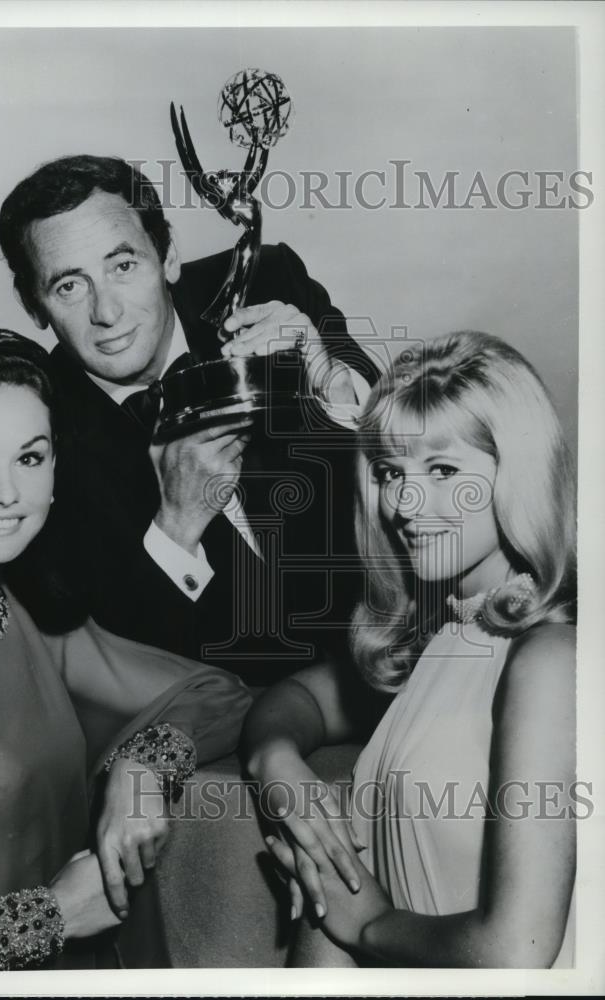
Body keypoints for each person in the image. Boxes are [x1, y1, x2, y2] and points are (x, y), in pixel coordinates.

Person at [0, 326, 252, 972]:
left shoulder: (34, 621)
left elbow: (218, 695)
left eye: (29, 457)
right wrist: (52, 913)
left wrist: (141, 773)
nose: (5, 491)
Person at [242, 330, 576, 967]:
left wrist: (368, 925)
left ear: (519, 473)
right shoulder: (445, 634)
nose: (403, 503)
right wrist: (275, 761)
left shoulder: (549, 658)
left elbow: (517, 954)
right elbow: (297, 698)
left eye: (444, 470)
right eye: (391, 472)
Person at [0, 156, 379, 684]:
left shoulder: (270, 280)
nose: (106, 312)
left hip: (394, 650)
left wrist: (331, 383)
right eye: (69, 286)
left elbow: (415, 463)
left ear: (168, 254)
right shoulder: (33, 428)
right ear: (32, 303)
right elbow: (104, 664)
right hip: (225, 725)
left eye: (123, 265)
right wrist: (176, 526)